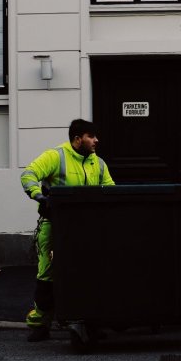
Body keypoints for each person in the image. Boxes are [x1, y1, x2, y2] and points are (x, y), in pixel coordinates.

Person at [20, 118, 115, 342]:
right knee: (48, 275)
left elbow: (110, 189)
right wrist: (38, 195)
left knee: (89, 275)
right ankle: (40, 324)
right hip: (55, 228)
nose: (96, 140)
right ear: (77, 139)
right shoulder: (56, 156)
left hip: (86, 229)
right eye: (91, 136)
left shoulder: (98, 163)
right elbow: (28, 175)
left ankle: (90, 322)